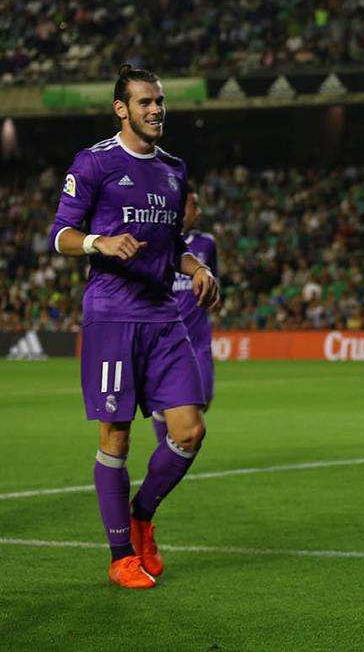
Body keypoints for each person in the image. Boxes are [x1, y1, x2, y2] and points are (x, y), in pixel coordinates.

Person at [48, 64, 219, 588]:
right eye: (145, 102)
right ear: (122, 109)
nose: (156, 110)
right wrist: (99, 242)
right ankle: (121, 555)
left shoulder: (173, 168)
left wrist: (198, 269)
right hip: (112, 315)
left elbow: (173, 250)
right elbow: (59, 235)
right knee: (116, 437)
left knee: (189, 431)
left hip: (163, 318)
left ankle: (142, 515)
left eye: (160, 102)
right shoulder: (94, 162)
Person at [155, 191, 218, 445]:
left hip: (198, 338)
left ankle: (167, 436)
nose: (199, 212)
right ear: (180, 210)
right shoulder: (158, 242)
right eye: (195, 206)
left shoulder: (207, 244)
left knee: (202, 400)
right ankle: (167, 450)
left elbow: (214, 278)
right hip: (167, 339)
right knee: (180, 410)